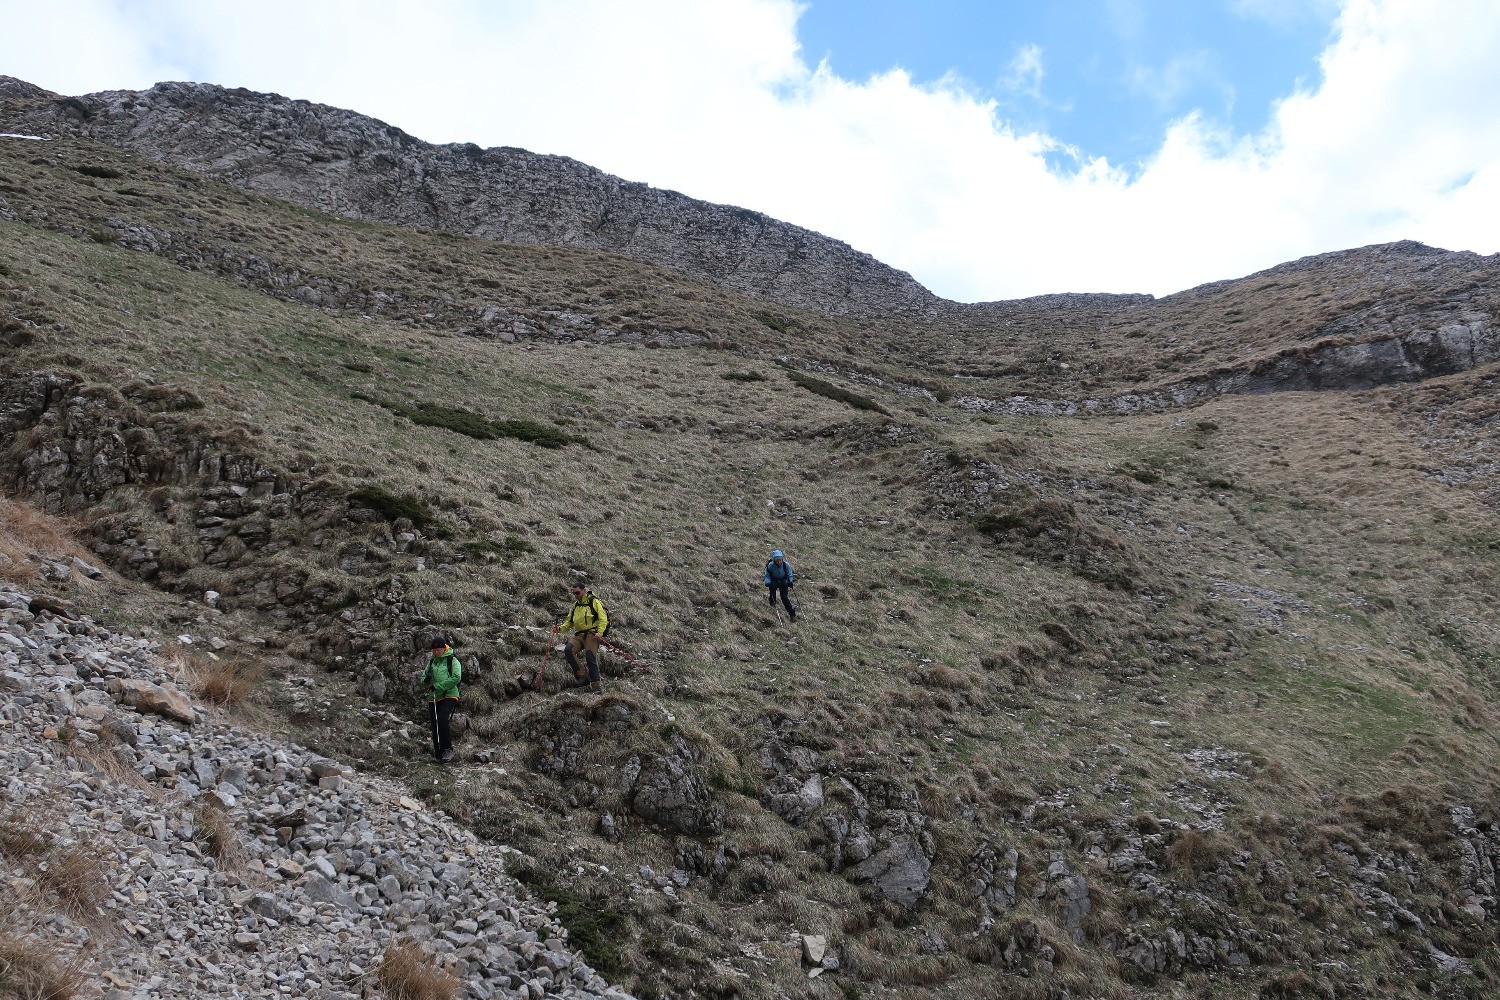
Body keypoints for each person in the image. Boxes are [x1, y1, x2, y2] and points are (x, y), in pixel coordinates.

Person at [560, 583, 609, 693]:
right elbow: (569, 622)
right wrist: (559, 629)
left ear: (584, 590)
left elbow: (603, 618)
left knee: (590, 656)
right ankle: (582, 677)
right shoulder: (575, 606)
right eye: (574, 594)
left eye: (577, 592)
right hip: (579, 634)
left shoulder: (593, 601)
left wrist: (600, 633)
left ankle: (596, 686)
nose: (576, 595)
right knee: (568, 650)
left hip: (592, 634)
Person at [422, 634, 463, 763]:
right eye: (433, 650)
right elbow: (423, 680)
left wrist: (438, 686)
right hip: (434, 697)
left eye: (437, 650)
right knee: (435, 724)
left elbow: (456, 677)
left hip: (450, 694)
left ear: (444, 648)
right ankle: (438, 754)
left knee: (441, 719)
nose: (435, 652)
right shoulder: (432, 661)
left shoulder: (452, 659)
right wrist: (427, 679)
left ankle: (447, 749)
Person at [764, 549, 796, 622]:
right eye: (777, 560)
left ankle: (792, 614)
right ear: (774, 560)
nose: (779, 562)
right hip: (774, 581)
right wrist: (768, 582)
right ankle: (772, 606)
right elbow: (767, 576)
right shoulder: (770, 565)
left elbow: (790, 574)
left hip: (783, 582)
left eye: (780, 560)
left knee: (784, 597)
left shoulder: (786, 565)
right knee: (772, 594)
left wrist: (789, 581)